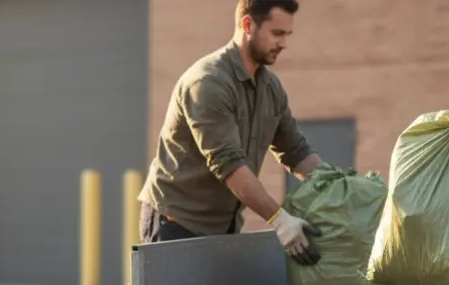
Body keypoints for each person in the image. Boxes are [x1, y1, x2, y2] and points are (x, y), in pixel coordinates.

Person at [138, 0, 324, 265]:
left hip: (223, 225)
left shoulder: (270, 88)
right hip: (176, 224)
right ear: (248, 25)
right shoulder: (208, 82)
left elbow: (296, 151)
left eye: (287, 35)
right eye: (277, 33)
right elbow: (228, 164)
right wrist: (280, 220)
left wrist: (338, 187)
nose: (284, 43)